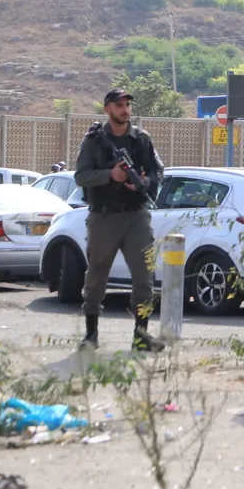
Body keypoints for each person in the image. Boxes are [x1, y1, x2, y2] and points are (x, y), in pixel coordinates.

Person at [74, 88, 165, 352]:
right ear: (107, 109)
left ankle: (141, 336)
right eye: (119, 105)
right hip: (104, 217)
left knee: (144, 276)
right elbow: (81, 176)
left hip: (136, 215)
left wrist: (144, 183)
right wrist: (109, 175)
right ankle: (91, 334)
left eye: (127, 105)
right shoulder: (93, 140)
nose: (125, 110)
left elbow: (159, 170)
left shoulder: (141, 139)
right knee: (97, 275)